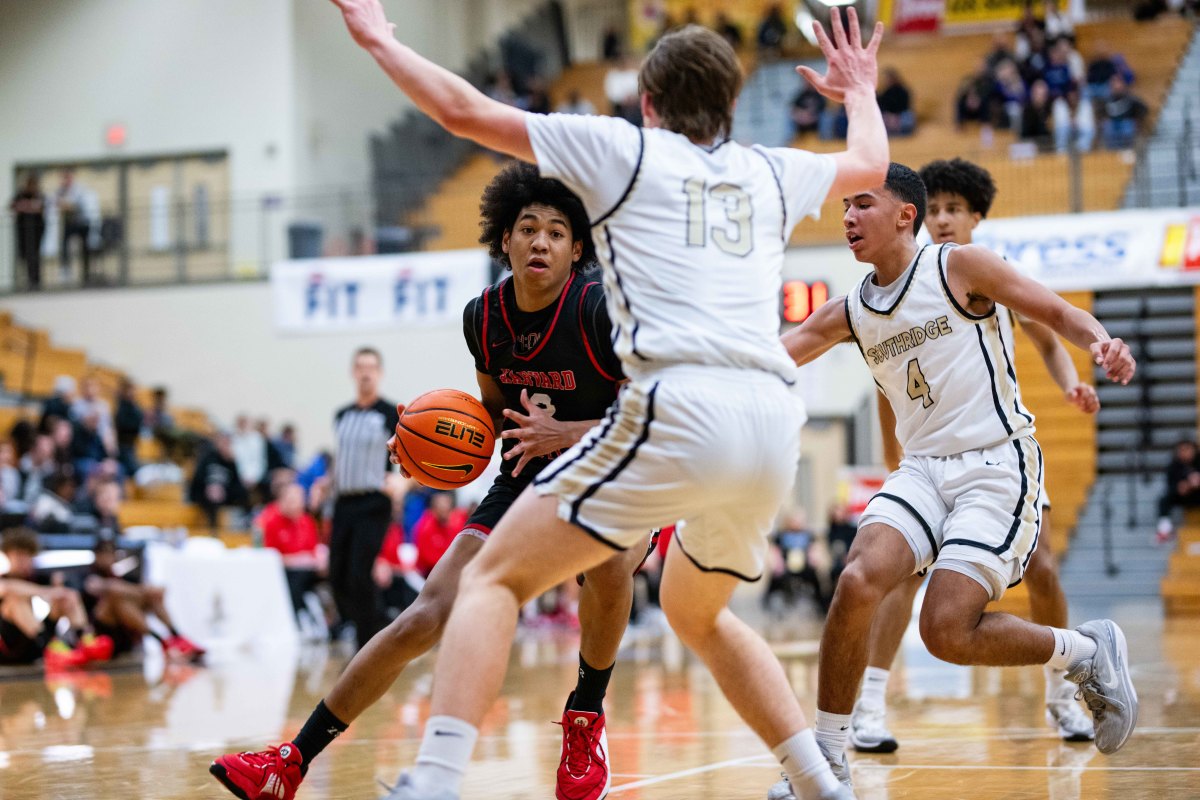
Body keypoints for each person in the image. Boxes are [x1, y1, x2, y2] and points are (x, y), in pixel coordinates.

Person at [320, 6, 889, 800]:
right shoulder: (769, 168)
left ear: (647, 103)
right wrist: (859, 87)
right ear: (730, 106)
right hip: (771, 431)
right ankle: (823, 787)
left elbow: (462, 112)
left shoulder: (625, 152)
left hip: (681, 406)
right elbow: (869, 160)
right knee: (701, 615)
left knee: (489, 581)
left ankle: (437, 784)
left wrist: (380, 40)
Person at [212, 161, 655, 800]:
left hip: (621, 467)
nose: (540, 242)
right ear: (503, 239)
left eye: (557, 233)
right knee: (428, 612)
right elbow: (492, 416)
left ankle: (585, 717)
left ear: (577, 248)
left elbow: (655, 412)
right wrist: (429, 446)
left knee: (610, 561)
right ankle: (291, 761)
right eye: (527, 228)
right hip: (528, 476)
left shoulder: (596, 310)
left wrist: (568, 434)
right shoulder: (484, 318)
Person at [768, 162, 1138, 800]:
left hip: (995, 463)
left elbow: (1050, 309)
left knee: (946, 631)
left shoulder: (960, 267)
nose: (848, 217)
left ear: (904, 216)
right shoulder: (854, 308)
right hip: (921, 470)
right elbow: (782, 349)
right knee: (857, 580)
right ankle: (826, 760)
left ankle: (1082, 650)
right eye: (845, 208)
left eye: (862, 204)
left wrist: (1100, 341)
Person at [835, 158, 1102, 758]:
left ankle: (1063, 693)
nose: (944, 219)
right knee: (893, 574)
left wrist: (1068, 387)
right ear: (916, 216)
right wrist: (893, 465)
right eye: (936, 209)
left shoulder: (983, 275)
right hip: (928, 459)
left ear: (977, 216)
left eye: (955, 209)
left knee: (1044, 572)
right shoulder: (895, 293)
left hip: (997, 452)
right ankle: (870, 704)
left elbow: (1050, 334)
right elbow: (888, 390)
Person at [322, 347, 399, 652]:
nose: (365, 372)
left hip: (373, 503)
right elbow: (344, 459)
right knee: (336, 575)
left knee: (358, 573)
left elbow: (410, 454)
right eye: (360, 367)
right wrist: (326, 483)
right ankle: (377, 625)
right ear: (353, 372)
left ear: (379, 373)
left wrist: (403, 485)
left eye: (371, 367)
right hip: (343, 502)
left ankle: (367, 644)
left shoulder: (390, 413)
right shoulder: (341, 415)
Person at [0, 528, 113, 669]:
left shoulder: (39, 578)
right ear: (7, 555)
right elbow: (8, 588)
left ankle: (85, 640)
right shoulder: (4, 579)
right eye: (18, 555)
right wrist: (46, 591)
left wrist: (59, 590)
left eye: (27, 555)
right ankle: (50, 647)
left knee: (67, 595)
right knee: (15, 600)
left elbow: (63, 593)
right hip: (9, 649)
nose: (23, 560)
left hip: (36, 643)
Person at [81, 538, 205, 662]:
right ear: (96, 556)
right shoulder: (89, 576)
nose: (108, 557)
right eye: (104, 553)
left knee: (144, 598)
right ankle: (161, 640)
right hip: (101, 635)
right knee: (116, 595)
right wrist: (145, 591)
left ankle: (176, 638)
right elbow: (103, 587)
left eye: (111, 553)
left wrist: (149, 593)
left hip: (126, 631)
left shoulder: (123, 576)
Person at [1156, 439, 1200, 543]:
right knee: (1164, 500)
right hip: (1183, 497)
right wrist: (1181, 487)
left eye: (1188, 449)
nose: (1185, 453)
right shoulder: (1173, 466)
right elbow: (1170, 486)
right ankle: (1164, 530)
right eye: (1182, 450)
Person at [9, 173, 45, 290]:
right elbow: (13, 206)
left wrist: (25, 206)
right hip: (23, 230)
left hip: (36, 230)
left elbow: (40, 207)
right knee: (24, 255)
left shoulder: (38, 194)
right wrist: (29, 206)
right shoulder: (21, 194)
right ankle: (28, 279)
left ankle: (36, 280)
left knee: (35, 255)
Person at [56, 171, 92, 284]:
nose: (65, 181)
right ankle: (65, 271)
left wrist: (65, 205)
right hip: (70, 223)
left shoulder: (78, 189)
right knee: (64, 245)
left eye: (67, 179)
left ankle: (86, 275)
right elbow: (57, 204)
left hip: (83, 223)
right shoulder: (62, 190)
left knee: (85, 249)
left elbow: (73, 206)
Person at [877, 67, 915, 136]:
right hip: (888, 116)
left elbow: (904, 105)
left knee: (907, 117)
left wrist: (895, 116)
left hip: (900, 115)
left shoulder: (903, 91)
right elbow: (882, 105)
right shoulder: (886, 92)